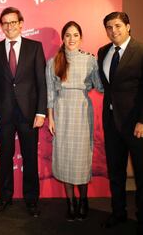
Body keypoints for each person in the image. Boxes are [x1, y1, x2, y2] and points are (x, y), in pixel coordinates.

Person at [97, 12, 143, 234]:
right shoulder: (103, 52)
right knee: (116, 173)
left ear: (128, 26)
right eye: (108, 27)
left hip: (137, 126)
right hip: (112, 124)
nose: (113, 30)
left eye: (117, 25)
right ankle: (118, 213)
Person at [0, 7, 47, 217]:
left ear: (21, 23)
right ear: (1, 26)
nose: (9, 26)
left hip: (29, 113)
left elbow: (41, 82)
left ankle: (32, 200)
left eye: (13, 22)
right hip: (3, 114)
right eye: (5, 23)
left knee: (30, 158)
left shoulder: (35, 47)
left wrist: (41, 112)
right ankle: (5, 198)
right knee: (5, 158)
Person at [46, 21, 103, 221]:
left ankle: (83, 200)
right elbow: (50, 94)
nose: (71, 39)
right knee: (65, 159)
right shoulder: (53, 62)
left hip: (82, 112)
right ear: (63, 38)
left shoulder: (90, 60)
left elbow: (101, 87)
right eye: (68, 35)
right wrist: (51, 119)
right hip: (62, 113)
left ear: (81, 38)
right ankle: (71, 203)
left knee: (81, 159)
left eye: (75, 35)